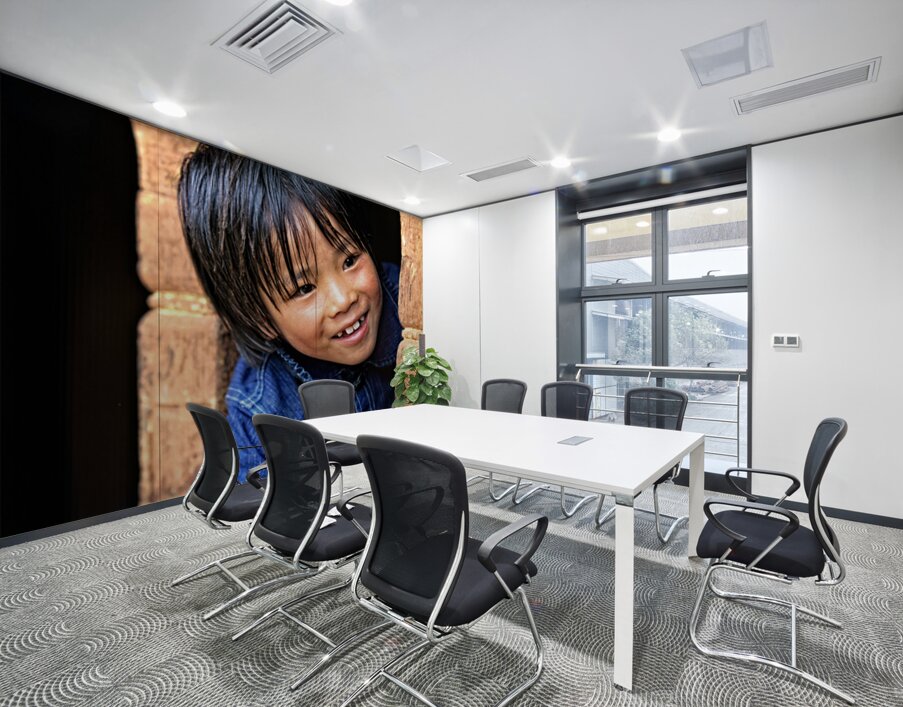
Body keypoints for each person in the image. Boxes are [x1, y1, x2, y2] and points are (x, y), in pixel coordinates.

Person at [177, 145, 402, 482]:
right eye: (303, 289)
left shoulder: (416, 306)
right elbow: (269, 507)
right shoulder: (258, 405)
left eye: (350, 259)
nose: (343, 299)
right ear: (258, 317)